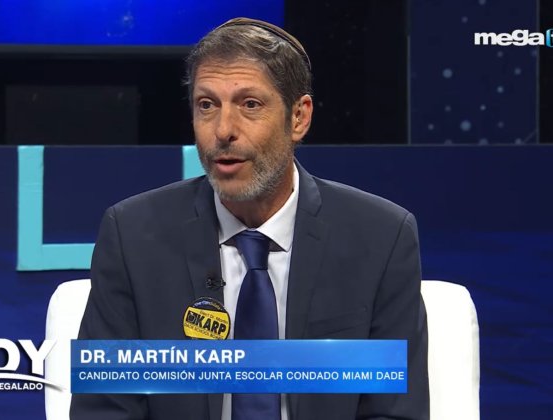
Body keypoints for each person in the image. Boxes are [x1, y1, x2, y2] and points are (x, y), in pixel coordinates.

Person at [71, 17, 429, 420]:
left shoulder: (381, 238)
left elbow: (392, 412)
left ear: (299, 118)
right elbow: (103, 411)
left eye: (250, 105)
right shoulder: (133, 236)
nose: (223, 130)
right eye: (207, 105)